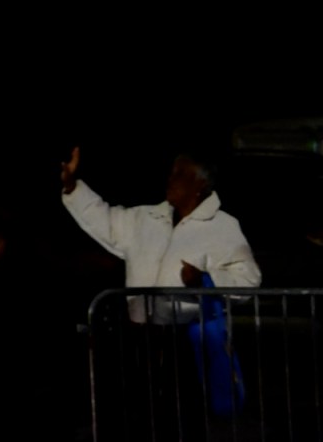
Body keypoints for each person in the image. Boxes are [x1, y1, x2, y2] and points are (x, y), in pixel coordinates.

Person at [60, 144, 261, 439]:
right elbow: (105, 219)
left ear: (199, 184)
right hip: (139, 337)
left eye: (180, 174)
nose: (170, 178)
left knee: (182, 417)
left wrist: (206, 279)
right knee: (139, 416)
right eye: (171, 172)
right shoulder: (147, 219)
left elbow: (248, 280)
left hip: (185, 340)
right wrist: (73, 187)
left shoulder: (222, 227)